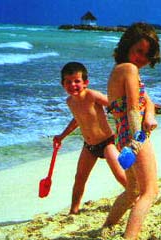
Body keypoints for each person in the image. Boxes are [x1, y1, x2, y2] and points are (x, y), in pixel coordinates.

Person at [103, 22, 161, 240]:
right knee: (150, 191)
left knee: (132, 190)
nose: (142, 58)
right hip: (132, 136)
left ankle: (107, 226)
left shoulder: (122, 70)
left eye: (147, 54)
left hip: (122, 135)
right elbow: (132, 110)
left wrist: (151, 115)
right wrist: (137, 143)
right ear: (127, 45)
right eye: (139, 51)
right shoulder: (129, 69)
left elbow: (146, 102)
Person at [53, 61, 127, 214]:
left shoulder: (92, 95)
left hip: (108, 142)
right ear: (63, 84)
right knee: (80, 178)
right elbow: (76, 121)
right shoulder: (70, 101)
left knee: (119, 173)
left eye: (77, 81)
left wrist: (126, 123)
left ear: (85, 82)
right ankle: (74, 210)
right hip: (89, 146)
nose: (73, 85)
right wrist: (62, 136)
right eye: (68, 82)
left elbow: (114, 104)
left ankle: (135, 194)